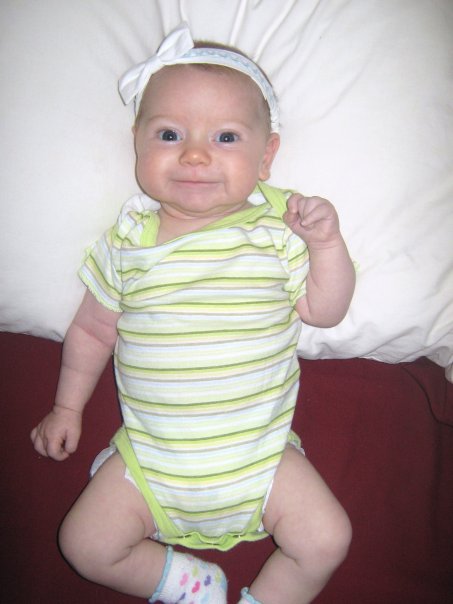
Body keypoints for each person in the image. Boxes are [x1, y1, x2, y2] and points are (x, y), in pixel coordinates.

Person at [31, 22, 355, 604]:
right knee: (83, 544)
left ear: (266, 156)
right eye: (170, 133)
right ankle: (188, 585)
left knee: (328, 538)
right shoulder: (127, 241)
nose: (196, 154)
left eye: (226, 137)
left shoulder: (278, 231)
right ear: (137, 142)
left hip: (261, 458)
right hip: (152, 462)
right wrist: (66, 407)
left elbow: (324, 311)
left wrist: (327, 246)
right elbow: (92, 330)